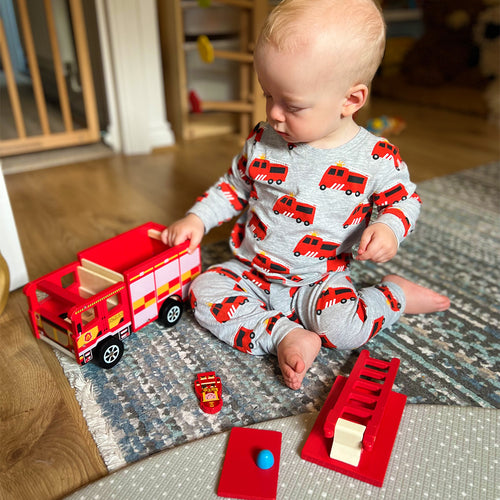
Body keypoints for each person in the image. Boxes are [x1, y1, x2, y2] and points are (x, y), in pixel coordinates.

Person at [162, 0, 450, 390]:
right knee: (201, 292)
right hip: (252, 271)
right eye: (268, 96)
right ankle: (283, 335)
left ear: (351, 100)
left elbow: (404, 201)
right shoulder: (264, 140)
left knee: (346, 330)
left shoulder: (374, 157)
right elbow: (234, 186)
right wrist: (197, 217)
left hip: (320, 280)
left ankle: (393, 294)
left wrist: (388, 228)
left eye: (292, 104)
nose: (275, 114)